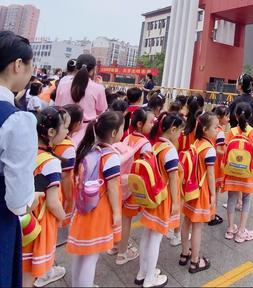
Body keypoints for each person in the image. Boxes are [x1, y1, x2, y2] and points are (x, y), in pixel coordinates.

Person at [0, 31, 40, 288]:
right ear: (17, 65)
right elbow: (17, 201)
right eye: (29, 66)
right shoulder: (16, 120)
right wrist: (30, 200)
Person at [67, 111, 124, 288]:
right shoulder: (110, 156)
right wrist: (116, 213)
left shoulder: (89, 149)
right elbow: (113, 187)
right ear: (114, 133)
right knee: (91, 257)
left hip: (83, 208)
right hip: (99, 211)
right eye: (122, 129)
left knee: (81, 254)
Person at [23, 107, 68, 288]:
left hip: (23, 219)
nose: (67, 131)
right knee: (27, 277)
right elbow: (52, 203)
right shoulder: (51, 163)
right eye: (65, 127)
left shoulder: (27, 151)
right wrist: (64, 218)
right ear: (51, 132)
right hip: (37, 227)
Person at [139, 114, 184, 288]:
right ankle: (150, 277)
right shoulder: (170, 150)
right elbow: (173, 178)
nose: (180, 135)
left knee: (147, 234)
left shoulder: (155, 145)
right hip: (163, 199)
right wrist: (175, 203)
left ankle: (143, 272)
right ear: (172, 130)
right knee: (156, 237)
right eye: (179, 131)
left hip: (151, 196)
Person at [114, 109, 155, 267]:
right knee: (126, 220)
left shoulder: (127, 137)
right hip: (132, 186)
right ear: (140, 124)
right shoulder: (145, 144)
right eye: (150, 122)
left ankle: (116, 245)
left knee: (120, 218)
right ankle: (122, 253)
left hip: (120, 183)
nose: (152, 125)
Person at [180, 112, 217, 274]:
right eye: (215, 127)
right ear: (205, 129)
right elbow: (210, 174)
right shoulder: (209, 149)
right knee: (197, 226)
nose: (218, 130)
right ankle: (195, 261)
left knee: (186, 221)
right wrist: (213, 195)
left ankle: (184, 254)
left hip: (189, 188)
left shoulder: (196, 143)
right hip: (200, 192)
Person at [223, 102, 253, 243]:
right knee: (246, 199)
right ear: (250, 116)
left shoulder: (231, 132)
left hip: (231, 171)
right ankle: (241, 232)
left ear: (236, 116)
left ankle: (230, 229)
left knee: (231, 198)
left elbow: (226, 150)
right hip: (247, 172)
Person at [55, 54, 108, 147]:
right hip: (86, 134)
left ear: (76, 67)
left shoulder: (63, 86)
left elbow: (57, 107)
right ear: (94, 70)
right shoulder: (98, 88)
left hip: (62, 130)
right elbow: (101, 110)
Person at [54, 104, 83, 246]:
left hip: (52, 186)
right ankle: (59, 240)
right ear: (76, 123)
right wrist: (69, 196)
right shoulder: (68, 147)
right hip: (61, 189)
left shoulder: (53, 141)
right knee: (61, 215)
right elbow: (66, 176)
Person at [208, 105, 228, 226]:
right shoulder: (219, 132)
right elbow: (219, 149)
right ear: (220, 118)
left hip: (211, 163)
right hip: (216, 165)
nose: (228, 118)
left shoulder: (212, 129)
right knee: (214, 191)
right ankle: (211, 215)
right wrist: (228, 151)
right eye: (226, 116)